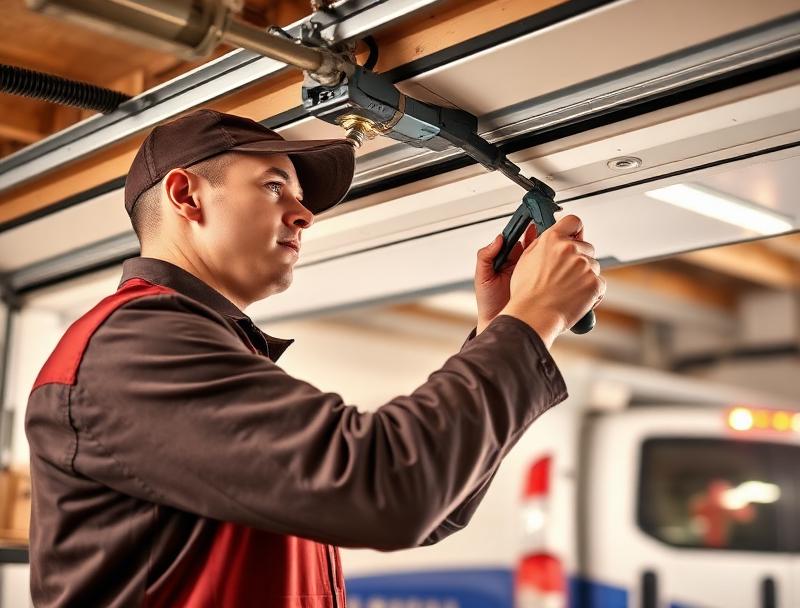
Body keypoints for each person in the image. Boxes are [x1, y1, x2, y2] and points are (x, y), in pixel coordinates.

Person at [25, 109, 604, 607]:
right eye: (275, 186)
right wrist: (532, 319)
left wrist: (497, 328)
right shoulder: (134, 345)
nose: (304, 214)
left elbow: (431, 508)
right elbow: (387, 491)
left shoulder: (200, 347)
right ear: (185, 195)